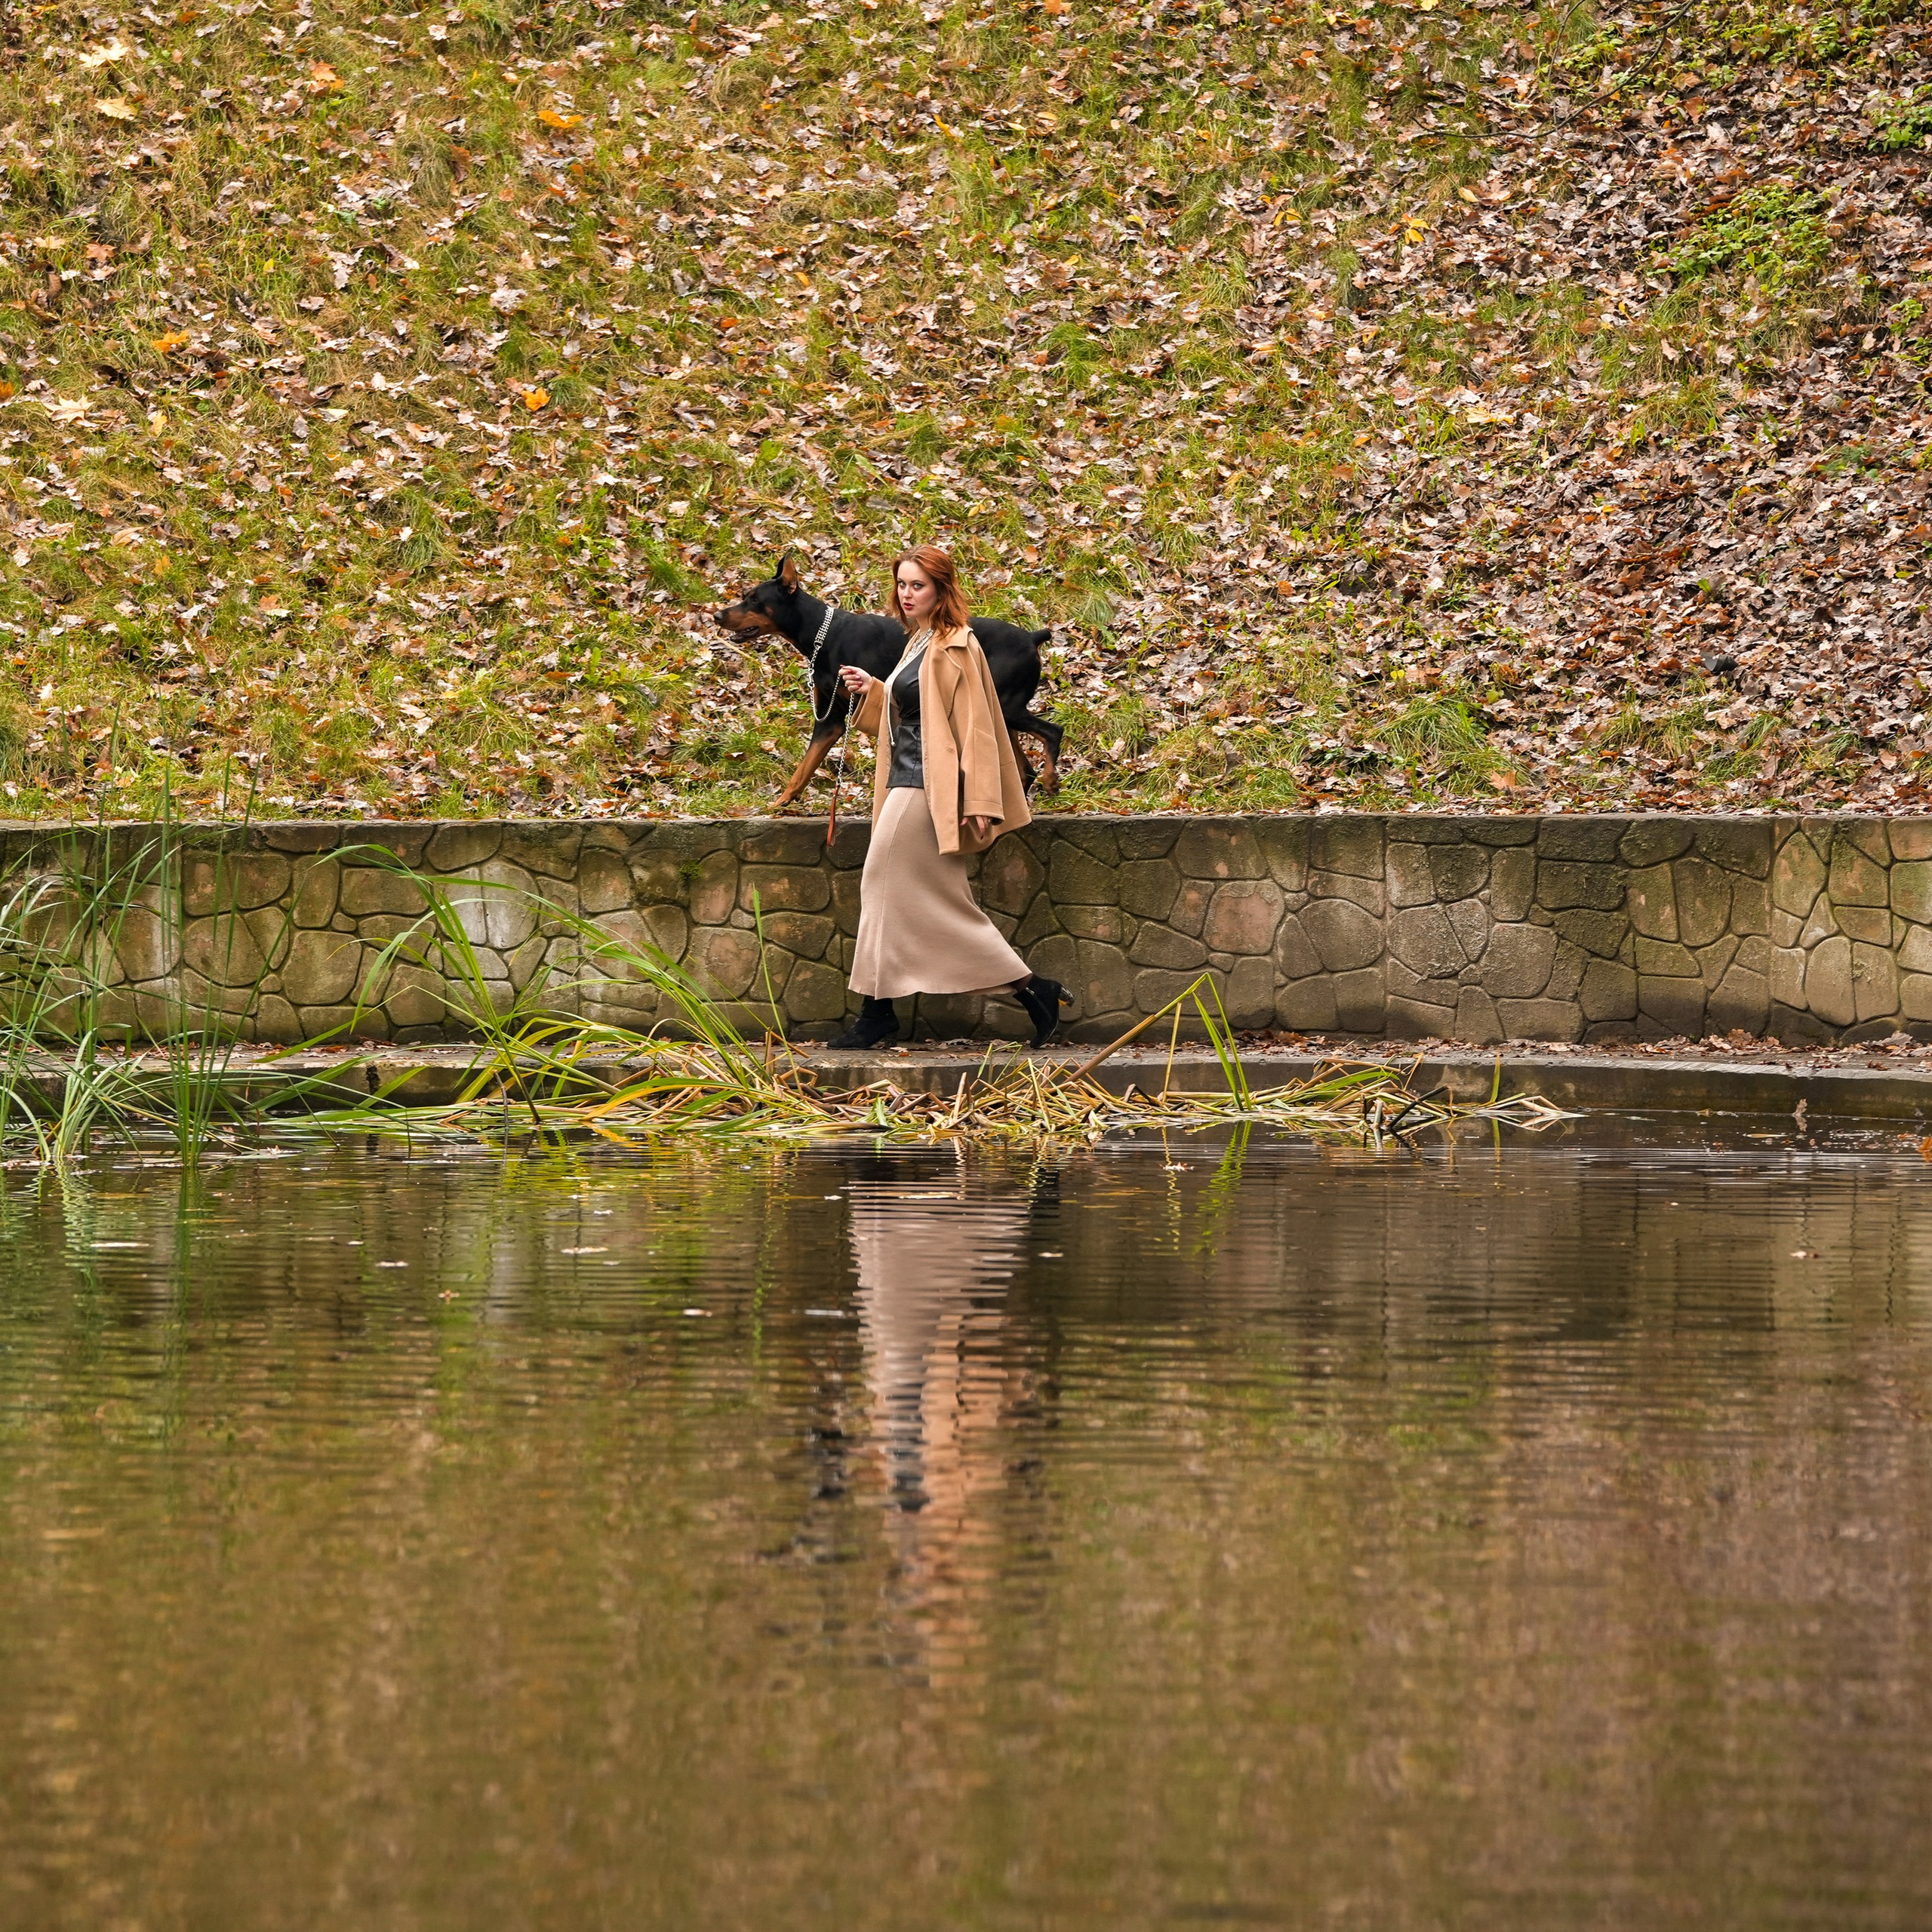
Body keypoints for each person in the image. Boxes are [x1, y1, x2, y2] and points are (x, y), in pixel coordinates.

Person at [827, 545, 1072, 1051]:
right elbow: (907, 715)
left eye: (918, 585)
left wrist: (980, 799)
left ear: (941, 589)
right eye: (902, 584)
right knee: (921, 899)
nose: (907, 594)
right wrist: (873, 688)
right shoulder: (917, 642)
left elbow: (978, 728)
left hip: (929, 786)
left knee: (881, 883)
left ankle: (879, 1014)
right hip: (904, 777)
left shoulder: (959, 644)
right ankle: (1032, 991)